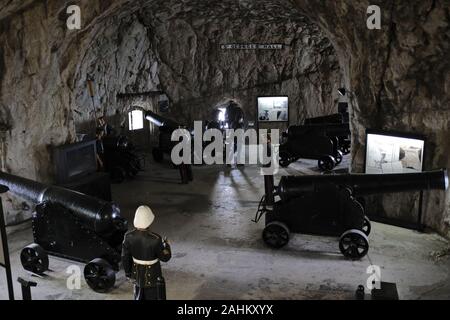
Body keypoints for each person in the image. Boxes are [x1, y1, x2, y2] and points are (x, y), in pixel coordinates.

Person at [122, 206, 172, 300]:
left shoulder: (128, 236)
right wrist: (166, 246)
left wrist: (128, 274)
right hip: (153, 276)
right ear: (149, 220)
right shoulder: (156, 239)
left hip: (136, 275)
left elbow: (125, 257)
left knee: (138, 296)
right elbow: (165, 258)